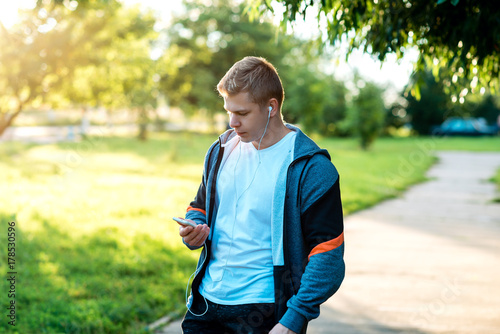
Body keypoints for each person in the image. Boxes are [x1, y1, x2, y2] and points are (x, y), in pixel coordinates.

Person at [177, 56, 345, 334]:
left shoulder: (312, 168)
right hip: (205, 304)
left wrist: (296, 317)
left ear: (271, 107)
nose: (232, 122)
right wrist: (194, 226)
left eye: (242, 113)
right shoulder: (220, 150)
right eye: (228, 111)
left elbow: (328, 253)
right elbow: (200, 206)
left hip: (264, 312)